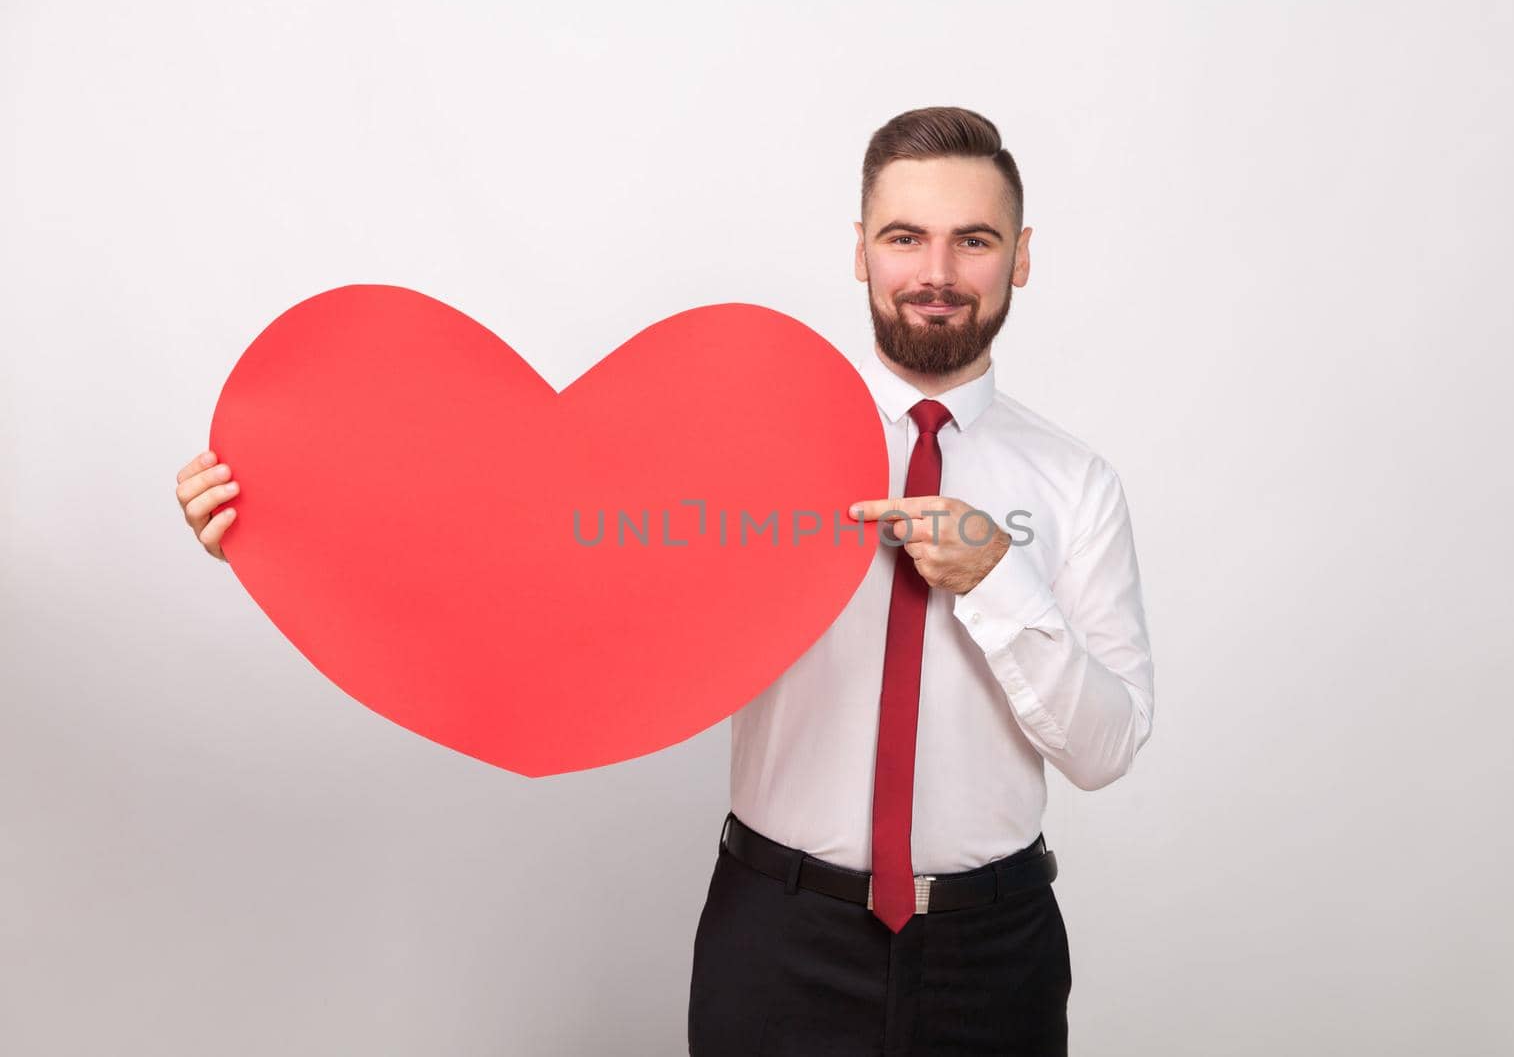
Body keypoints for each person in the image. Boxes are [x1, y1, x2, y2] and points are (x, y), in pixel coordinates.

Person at [173, 105, 1155, 1056]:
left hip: (995, 951)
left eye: (973, 240)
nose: (936, 273)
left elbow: (1105, 745)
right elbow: (535, 563)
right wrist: (288, 528)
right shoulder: (750, 444)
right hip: (780, 939)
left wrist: (995, 577)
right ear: (861, 250)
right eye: (906, 237)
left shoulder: (1075, 485)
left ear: (1021, 256)